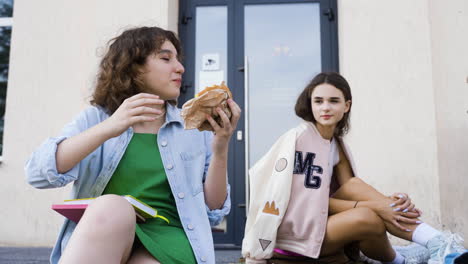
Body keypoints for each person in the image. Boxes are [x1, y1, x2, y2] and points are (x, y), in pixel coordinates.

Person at [25, 26, 241, 264]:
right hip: (107, 233)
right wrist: (111, 127)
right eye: (166, 58)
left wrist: (220, 148)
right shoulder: (97, 119)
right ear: (134, 67)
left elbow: (213, 210)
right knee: (112, 206)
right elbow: (37, 174)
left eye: (178, 60)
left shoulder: (193, 129)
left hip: (169, 238)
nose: (180, 68)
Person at [242, 72, 465, 264]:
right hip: (295, 238)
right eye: (318, 101)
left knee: (355, 187)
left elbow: (350, 188)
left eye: (333, 101)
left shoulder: (334, 143)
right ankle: (403, 259)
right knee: (368, 217)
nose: (325, 108)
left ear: (346, 105)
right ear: (310, 104)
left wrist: (388, 202)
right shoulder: (300, 141)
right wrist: (379, 206)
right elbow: (307, 200)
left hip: (320, 225)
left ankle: (437, 241)